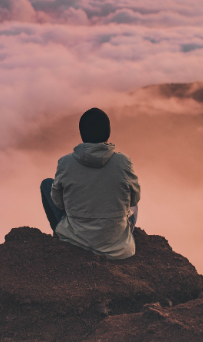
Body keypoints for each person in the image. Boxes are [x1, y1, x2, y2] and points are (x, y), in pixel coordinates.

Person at [40, 108, 141, 259]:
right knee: (134, 205)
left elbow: (59, 203)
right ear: (108, 134)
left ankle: (60, 236)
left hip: (76, 239)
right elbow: (134, 199)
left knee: (47, 184)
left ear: (82, 134)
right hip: (116, 246)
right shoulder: (123, 162)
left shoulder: (65, 162)